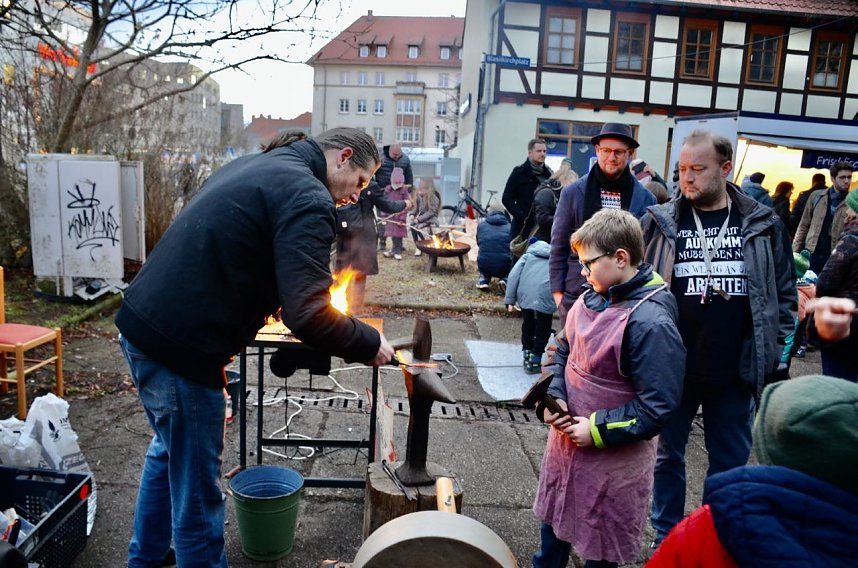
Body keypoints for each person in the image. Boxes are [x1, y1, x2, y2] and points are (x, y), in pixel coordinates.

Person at [115, 128, 395, 568]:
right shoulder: (308, 196)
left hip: (142, 323)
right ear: (343, 156)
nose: (355, 196)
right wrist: (368, 341)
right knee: (198, 494)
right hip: (180, 347)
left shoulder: (260, 165)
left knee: (169, 453)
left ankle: (145, 560)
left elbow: (252, 254)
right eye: (359, 181)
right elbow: (308, 314)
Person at [641, 129, 796, 549]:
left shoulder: (763, 225)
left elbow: (785, 295)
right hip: (672, 368)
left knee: (729, 464)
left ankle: (712, 539)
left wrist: (776, 353)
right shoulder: (659, 222)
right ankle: (666, 536)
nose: (686, 178)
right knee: (665, 457)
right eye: (681, 170)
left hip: (736, 368)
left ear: (725, 169)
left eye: (698, 169)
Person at [533, 208, 685, 568]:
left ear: (620, 258)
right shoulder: (590, 296)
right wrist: (555, 395)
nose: (582, 273)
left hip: (614, 462)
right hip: (565, 450)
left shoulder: (652, 323)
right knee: (553, 529)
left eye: (588, 264)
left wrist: (597, 430)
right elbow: (560, 348)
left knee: (601, 544)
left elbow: (656, 407)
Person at [647, 375, 858, 567]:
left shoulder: (698, 534)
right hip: (679, 377)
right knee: (670, 458)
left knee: (727, 461)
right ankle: (664, 527)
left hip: (735, 381)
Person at [549, 122, 656, 323]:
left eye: (618, 152)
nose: (611, 157)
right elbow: (558, 245)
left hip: (626, 298)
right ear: (597, 150)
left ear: (629, 153)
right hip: (578, 292)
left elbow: (648, 251)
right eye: (606, 150)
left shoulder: (646, 198)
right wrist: (558, 295)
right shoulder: (573, 193)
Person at [335, 179, 409, 313]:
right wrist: (405, 203)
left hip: (343, 231)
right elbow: (387, 206)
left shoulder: (343, 179)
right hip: (362, 234)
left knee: (341, 271)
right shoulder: (368, 184)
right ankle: (355, 309)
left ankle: (337, 308)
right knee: (360, 272)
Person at [815, 189, 858, 381]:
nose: (847, 211)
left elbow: (826, 281)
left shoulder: (851, 241)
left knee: (834, 380)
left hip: (842, 320)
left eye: (850, 207)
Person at [504, 238, 556, 373]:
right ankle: (535, 359)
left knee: (528, 322)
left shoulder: (527, 256)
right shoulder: (555, 258)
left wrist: (509, 299)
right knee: (544, 325)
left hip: (525, 292)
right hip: (545, 294)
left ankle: (526, 352)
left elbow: (514, 275)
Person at [793, 161, 855, 273]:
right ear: (832, 178)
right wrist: (795, 252)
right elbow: (804, 225)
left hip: (836, 257)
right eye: (842, 177)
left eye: (849, 177)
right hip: (811, 253)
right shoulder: (817, 196)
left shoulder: (852, 202)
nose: (847, 181)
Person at [502, 138, 553, 241]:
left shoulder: (549, 174)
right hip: (523, 229)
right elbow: (507, 198)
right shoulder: (519, 173)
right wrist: (522, 216)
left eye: (544, 151)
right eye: (539, 151)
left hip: (543, 229)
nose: (543, 154)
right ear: (530, 153)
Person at [529, 159, 578, 244]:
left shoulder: (560, 195)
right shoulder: (547, 193)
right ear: (564, 181)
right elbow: (542, 219)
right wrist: (565, 220)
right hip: (543, 241)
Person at [476, 203, 512, 290]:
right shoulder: (510, 227)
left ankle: (483, 280)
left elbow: (478, 243)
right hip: (504, 265)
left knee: (485, 258)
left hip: (484, 264)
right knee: (508, 261)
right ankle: (505, 279)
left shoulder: (481, 226)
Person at [380, 167, 410, 260]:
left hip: (399, 216)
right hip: (390, 216)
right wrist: (384, 215)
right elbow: (384, 203)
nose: (396, 185)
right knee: (393, 235)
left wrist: (402, 218)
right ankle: (394, 250)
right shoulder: (388, 190)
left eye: (398, 183)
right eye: (395, 182)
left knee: (398, 235)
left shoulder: (404, 191)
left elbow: (406, 205)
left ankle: (397, 251)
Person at [410, 177, 441, 255]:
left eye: (423, 187)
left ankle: (424, 245)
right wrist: (412, 214)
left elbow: (431, 212)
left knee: (418, 227)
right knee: (412, 226)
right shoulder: (420, 195)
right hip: (422, 217)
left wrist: (419, 219)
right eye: (420, 186)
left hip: (431, 219)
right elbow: (417, 208)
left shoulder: (433, 196)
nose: (421, 188)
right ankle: (418, 246)